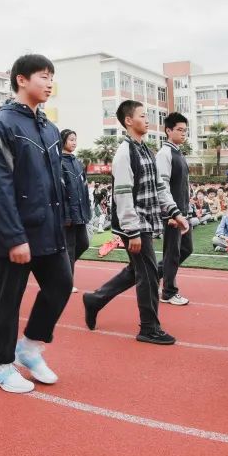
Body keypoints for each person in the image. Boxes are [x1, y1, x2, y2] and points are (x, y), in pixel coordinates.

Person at [0, 54, 72, 394]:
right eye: (43, 76)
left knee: (61, 284)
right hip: (15, 233)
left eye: (52, 77)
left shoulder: (49, 127)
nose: (49, 83)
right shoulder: (2, 125)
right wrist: (14, 236)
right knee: (8, 299)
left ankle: (30, 347)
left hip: (48, 228)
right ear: (21, 79)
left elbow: (53, 182)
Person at [83, 100, 190, 345]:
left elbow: (159, 187)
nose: (148, 119)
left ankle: (96, 299)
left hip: (146, 222)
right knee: (149, 274)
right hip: (135, 225)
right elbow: (122, 194)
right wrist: (132, 232)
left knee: (137, 271)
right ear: (129, 121)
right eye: (143, 115)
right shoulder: (124, 152)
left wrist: (175, 212)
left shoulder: (145, 150)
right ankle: (149, 328)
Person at [155, 112, 193, 305]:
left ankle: (154, 274)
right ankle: (168, 292)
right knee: (172, 252)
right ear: (168, 131)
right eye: (179, 129)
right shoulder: (164, 154)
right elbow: (162, 185)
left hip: (183, 213)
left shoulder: (178, 152)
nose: (183, 133)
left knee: (186, 249)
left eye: (185, 130)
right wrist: (170, 213)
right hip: (172, 214)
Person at [59, 129, 90, 293]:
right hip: (68, 215)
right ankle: (67, 281)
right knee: (69, 248)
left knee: (84, 243)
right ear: (63, 140)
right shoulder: (59, 163)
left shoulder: (78, 163)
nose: (74, 142)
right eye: (71, 139)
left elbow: (84, 190)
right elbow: (61, 192)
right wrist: (67, 215)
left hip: (80, 213)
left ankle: (61, 269)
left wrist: (86, 211)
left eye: (75, 139)